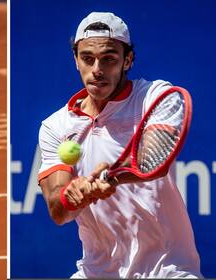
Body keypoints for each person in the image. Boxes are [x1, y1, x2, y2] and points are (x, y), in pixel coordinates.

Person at [38, 12, 202, 278]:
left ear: (128, 60)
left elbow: (152, 162)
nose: (97, 70)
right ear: (76, 60)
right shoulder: (55, 126)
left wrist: (106, 178)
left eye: (109, 59)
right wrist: (75, 194)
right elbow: (58, 211)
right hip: (96, 271)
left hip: (167, 269)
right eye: (87, 58)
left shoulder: (157, 97)